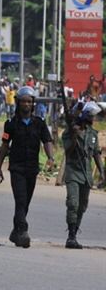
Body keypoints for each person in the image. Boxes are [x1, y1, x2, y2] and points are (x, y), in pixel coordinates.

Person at [0, 86, 54, 248]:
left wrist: (50, 157)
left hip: (32, 169)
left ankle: (15, 231)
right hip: (17, 168)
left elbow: (47, 141)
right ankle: (23, 231)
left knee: (25, 202)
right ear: (18, 103)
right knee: (20, 200)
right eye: (23, 102)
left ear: (33, 104)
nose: (26, 104)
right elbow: (4, 146)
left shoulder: (39, 123)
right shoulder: (11, 124)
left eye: (29, 102)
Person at [62, 101, 104, 249]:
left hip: (86, 174)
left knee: (82, 206)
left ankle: (75, 231)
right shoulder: (70, 131)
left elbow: (96, 154)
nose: (94, 119)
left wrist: (102, 173)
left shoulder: (93, 134)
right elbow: (68, 151)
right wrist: (74, 136)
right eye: (92, 116)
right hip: (73, 171)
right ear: (86, 116)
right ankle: (71, 236)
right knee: (73, 203)